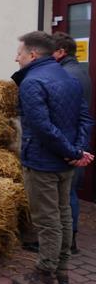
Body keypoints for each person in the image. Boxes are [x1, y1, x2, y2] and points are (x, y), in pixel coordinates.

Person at [11, 31, 93, 284]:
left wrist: (72, 151)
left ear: (33, 55)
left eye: (19, 53)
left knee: (47, 220)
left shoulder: (32, 82)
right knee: (63, 214)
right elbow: (85, 117)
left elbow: (41, 128)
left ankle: (45, 275)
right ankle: (62, 270)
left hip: (43, 162)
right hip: (65, 161)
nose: (16, 58)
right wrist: (76, 151)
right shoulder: (67, 77)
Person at [53, 32, 92, 254]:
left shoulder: (66, 75)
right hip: (78, 141)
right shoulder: (81, 72)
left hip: (69, 143)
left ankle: (67, 243)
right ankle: (71, 240)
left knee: (65, 193)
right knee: (70, 192)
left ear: (61, 52)